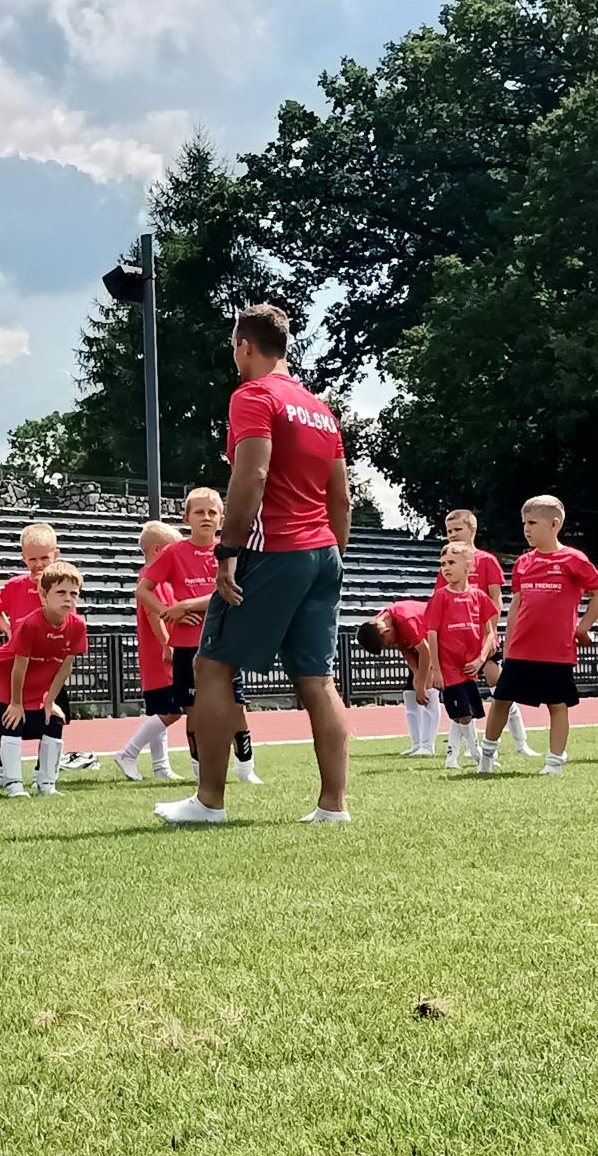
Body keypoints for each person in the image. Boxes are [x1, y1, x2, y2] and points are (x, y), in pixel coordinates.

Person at [155, 304, 351, 826]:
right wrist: (333, 555)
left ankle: (209, 802)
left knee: (212, 665)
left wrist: (227, 552)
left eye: (234, 348)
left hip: (273, 549)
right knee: (318, 678)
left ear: (245, 346)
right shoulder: (320, 409)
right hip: (323, 552)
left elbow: (252, 475)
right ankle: (334, 805)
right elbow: (341, 497)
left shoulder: (254, 395)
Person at [475, 496, 598, 776]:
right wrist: (508, 642)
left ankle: (554, 763)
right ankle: (486, 757)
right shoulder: (523, 562)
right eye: (525, 523)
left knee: (557, 705)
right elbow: (516, 604)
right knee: (501, 700)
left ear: (554, 524)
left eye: (533, 522)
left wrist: (583, 628)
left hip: (557, 650)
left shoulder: (573, 559)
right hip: (521, 648)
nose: (527, 528)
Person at [138, 488, 259, 784]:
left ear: (221, 519)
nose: (206, 517)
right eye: (199, 512)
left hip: (224, 643)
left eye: (212, 512)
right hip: (186, 646)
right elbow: (143, 590)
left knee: (236, 707)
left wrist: (188, 604)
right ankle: (200, 769)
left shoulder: (230, 554)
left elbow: (231, 593)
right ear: (186, 518)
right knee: (194, 710)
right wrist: (169, 612)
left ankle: (246, 768)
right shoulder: (173, 553)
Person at [0, 523, 90, 781]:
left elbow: (68, 625)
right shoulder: (15, 586)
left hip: (49, 667)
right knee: (8, 717)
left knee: (52, 716)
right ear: (23, 558)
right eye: (32, 559)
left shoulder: (62, 588)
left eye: (44, 558)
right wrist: (9, 631)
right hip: (20, 662)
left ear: (55, 554)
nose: (38, 564)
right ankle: (1, 771)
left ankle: (44, 773)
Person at [440, 509, 537, 759]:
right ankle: (467, 749)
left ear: (472, 529)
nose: (453, 534)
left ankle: (521, 742)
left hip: (482, 637)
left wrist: (491, 632)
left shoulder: (486, 561)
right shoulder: (448, 563)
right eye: (449, 531)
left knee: (501, 689)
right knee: (462, 694)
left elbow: (496, 598)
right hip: (458, 643)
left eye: (458, 529)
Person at [113, 521, 188, 781]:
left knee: (162, 709)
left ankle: (160, 766)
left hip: (155, 651)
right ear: (159, 550)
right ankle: (129, 752)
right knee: (173, 709)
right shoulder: (152, 578)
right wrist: (167, 644)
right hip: (161, 652)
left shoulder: (154, 577)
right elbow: (154, 614)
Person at [424, 543, 497, 771]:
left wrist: (480, 659)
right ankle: (477, 753)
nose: (446, 568)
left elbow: (489, 633)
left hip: (469, 667)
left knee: (462, 714)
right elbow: (432, 633)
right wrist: (436, 669)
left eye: (451, 563)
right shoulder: (440, 597)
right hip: (449, 668)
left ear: (468, 566)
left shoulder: (479, 597)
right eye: (443, 564)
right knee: (464, 714)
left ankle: (451, 757)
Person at [356, 600, 438, 757]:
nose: (388, 646)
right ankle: (417, 744)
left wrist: (421, 685)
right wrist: (415, 673)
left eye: (386, 644)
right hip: (421, 647)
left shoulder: (406, 620)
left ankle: (428, 746)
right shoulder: (381, 622)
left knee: (428, 691)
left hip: (437, 642)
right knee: (410, 693)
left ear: (386, 632)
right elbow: (401, 645)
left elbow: (425, 651)